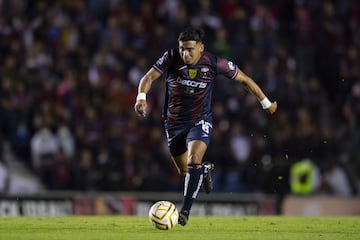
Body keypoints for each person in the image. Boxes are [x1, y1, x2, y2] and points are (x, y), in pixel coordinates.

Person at [134, 27, 277, 226]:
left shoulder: (214, 62)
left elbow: (244, 79)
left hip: (200, 120)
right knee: (185, 171)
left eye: (190, 49)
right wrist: (141, 98)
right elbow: (147, 78)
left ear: (201, 48)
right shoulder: (171, 57)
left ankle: (184, 212)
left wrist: (266, 103)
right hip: (173, 123)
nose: (185, 53)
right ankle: (204, 170)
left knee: (194, 159)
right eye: (182, 49)